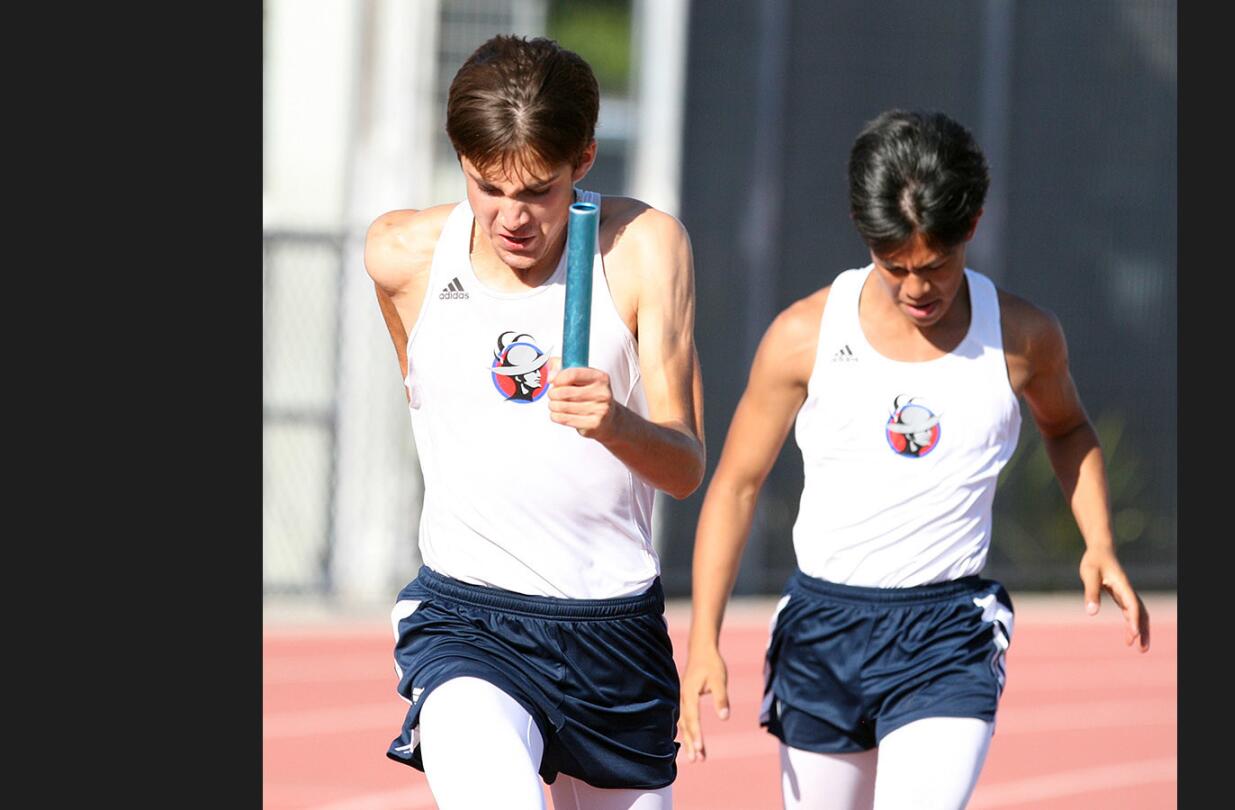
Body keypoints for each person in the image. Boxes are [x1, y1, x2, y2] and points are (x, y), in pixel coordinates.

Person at [678, 109, 1150, 810]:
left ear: (974, 224)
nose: (917, 289)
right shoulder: (803, 335)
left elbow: (1070, 430)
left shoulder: (1023, 338)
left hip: (947, 633)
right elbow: (737, 487)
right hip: (822, 629)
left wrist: (1100, 541)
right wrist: (703, 642)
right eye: (893, 266)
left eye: (935, 266)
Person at [364, 34, 705, 810]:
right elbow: (428, 400)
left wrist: (617, 423)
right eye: (489, 188)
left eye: (539, 192)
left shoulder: (644, 249)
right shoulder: (401, 256)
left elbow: (685, 467)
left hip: (612, 631)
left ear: (584, 159)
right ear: (459, 159)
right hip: (469, 619)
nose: (511, 217)